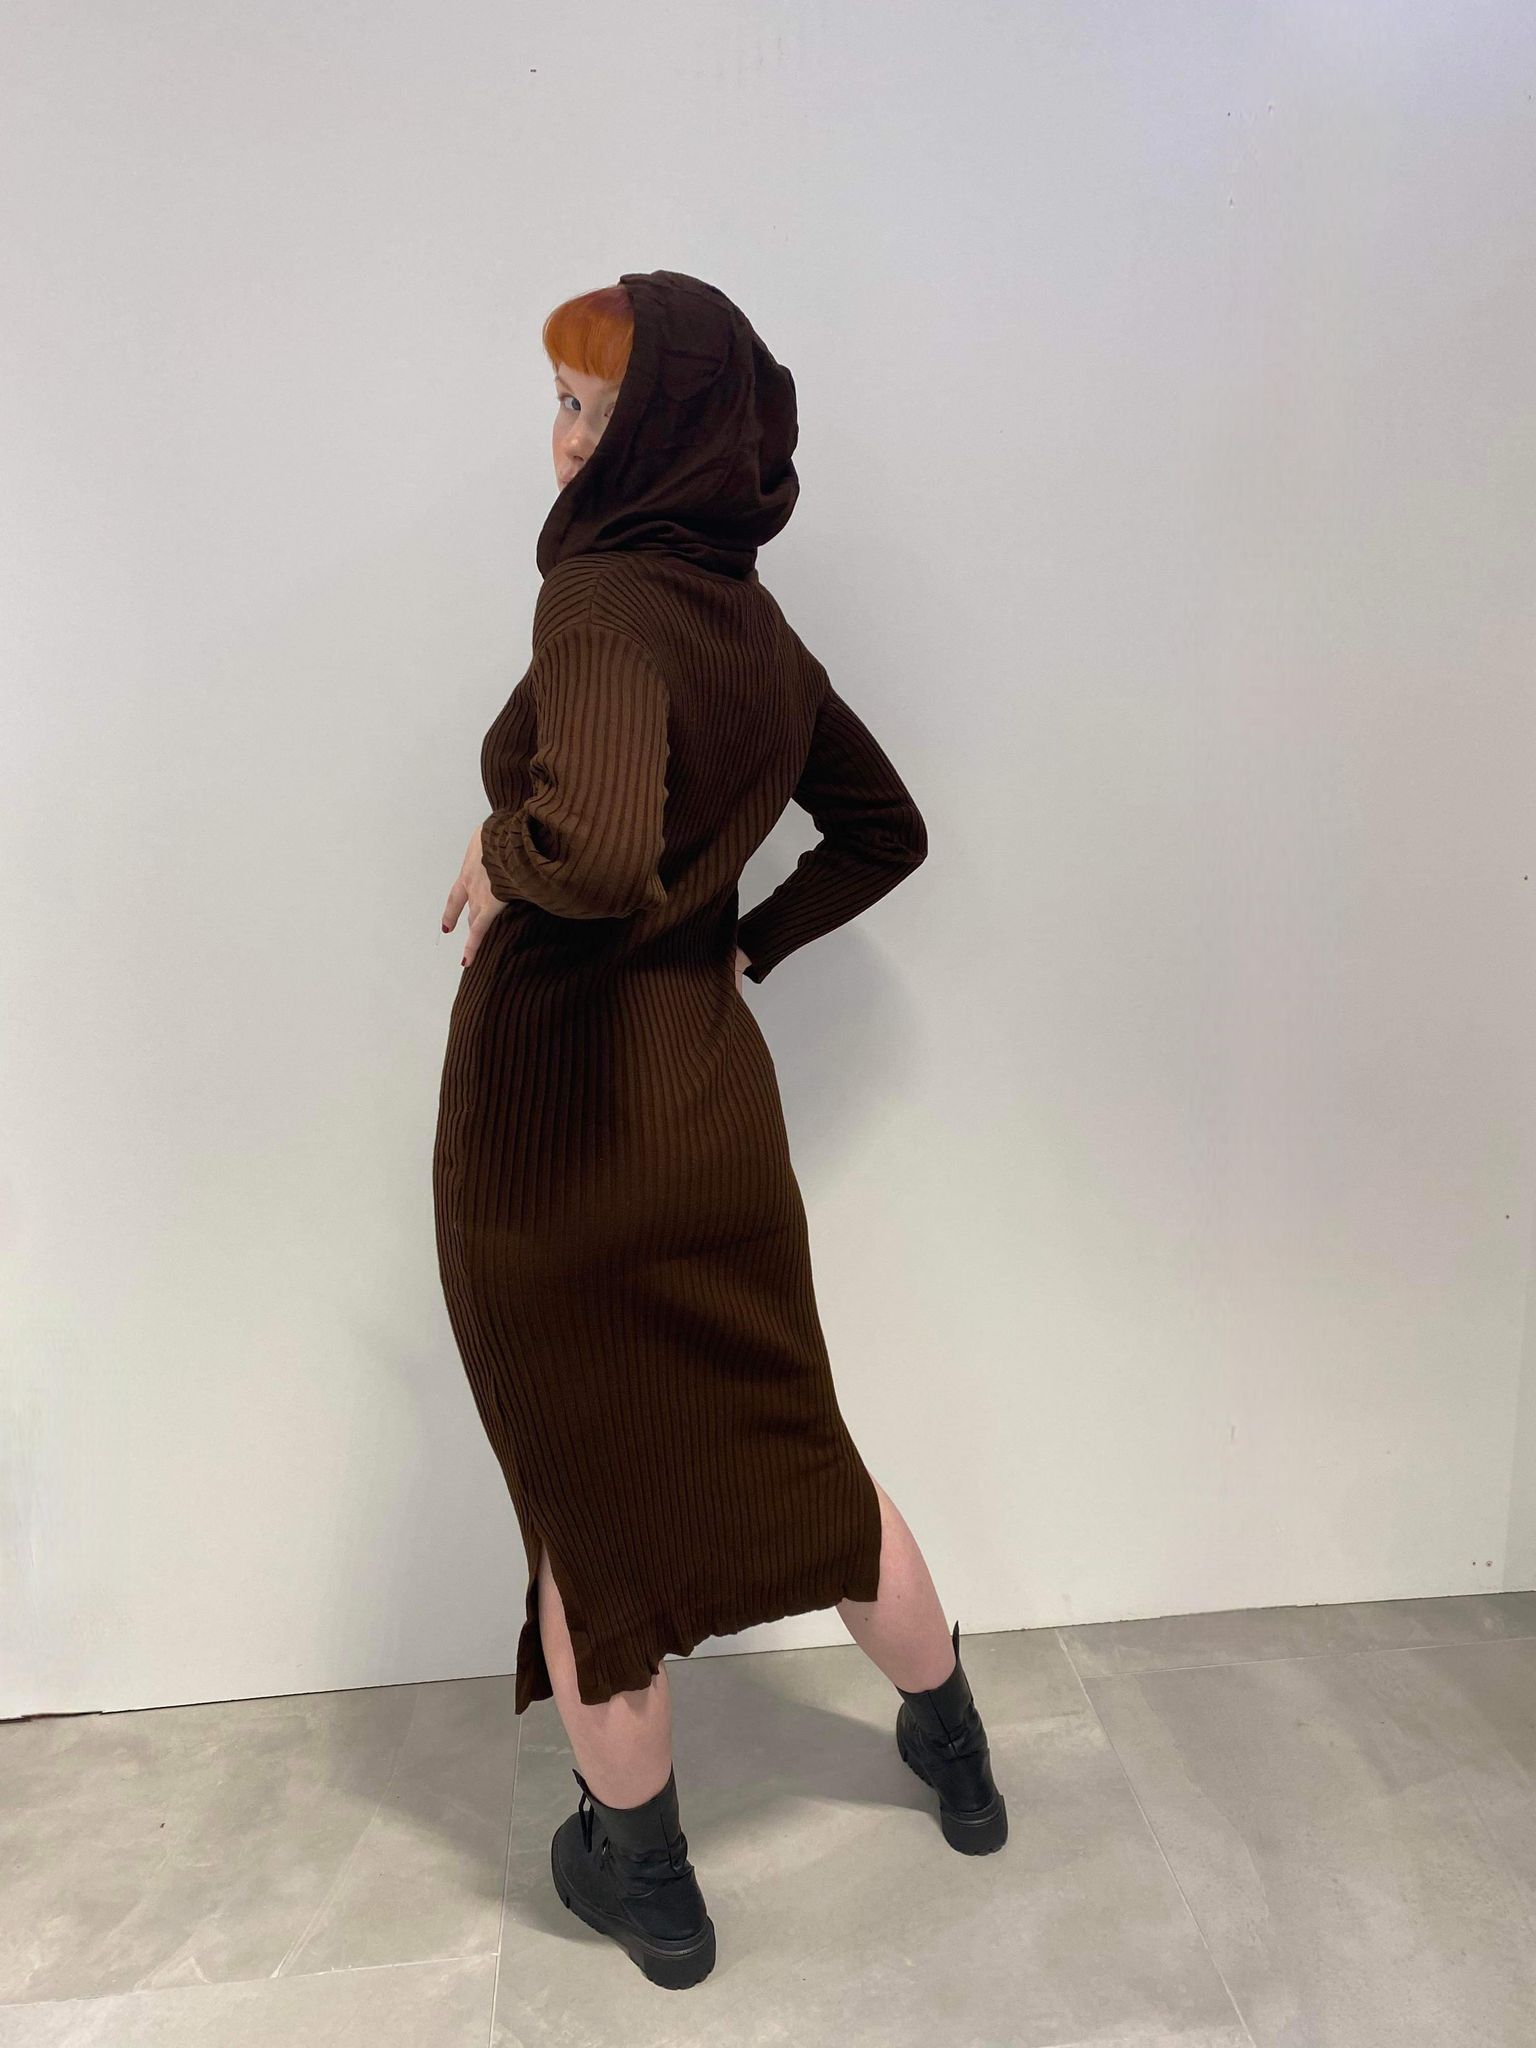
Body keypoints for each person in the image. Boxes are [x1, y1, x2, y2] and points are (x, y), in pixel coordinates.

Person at [434, 270, 1005, 1991]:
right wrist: (744, 942)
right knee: (800, 1455)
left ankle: (649, 1884)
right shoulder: (759, 631)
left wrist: (505, 852)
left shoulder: (598, 601)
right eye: (558, 401)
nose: (561, 441)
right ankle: (958, 1753)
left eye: (590, 410)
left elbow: (599, 846)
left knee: (590, 1518)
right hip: (713, 1112)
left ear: (665, 434)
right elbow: (884, 828)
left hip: (559, 1128)